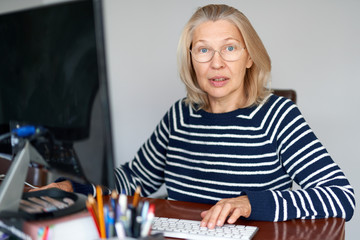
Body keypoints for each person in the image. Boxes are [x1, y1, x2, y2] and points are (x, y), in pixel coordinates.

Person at [34, 4, 355, 228]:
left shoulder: (278, 116)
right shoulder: (179, 116)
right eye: (203, 50)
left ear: (249, 57)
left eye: (230, 48)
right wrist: (72, 186)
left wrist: (250, 203)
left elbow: (341, 197)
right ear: (190, 60)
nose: (216, 63)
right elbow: (134, 181)